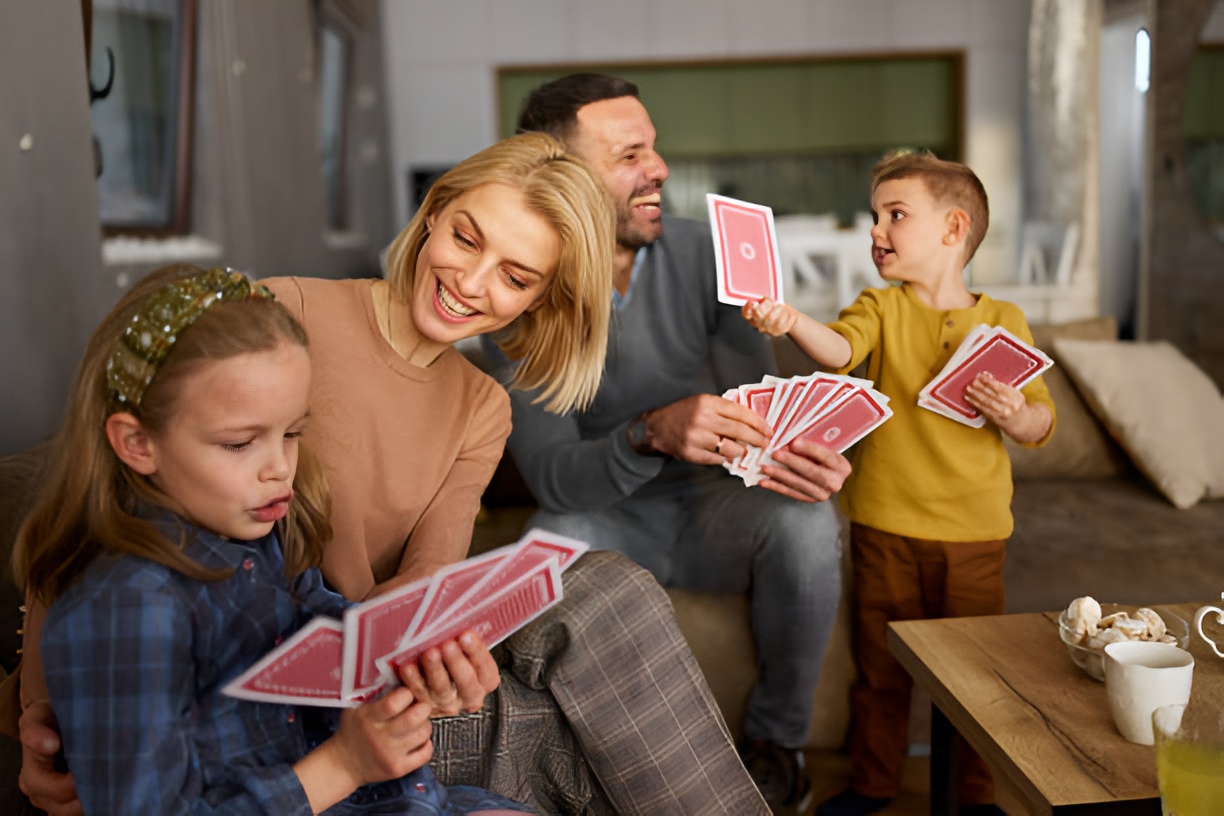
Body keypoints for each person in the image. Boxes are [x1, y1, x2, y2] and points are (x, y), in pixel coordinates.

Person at [15, 132, 772, 815]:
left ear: (540, 300)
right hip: (263, 717)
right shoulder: (281, 315)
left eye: (514, 277)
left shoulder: (481, 406)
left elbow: (419, 598)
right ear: (435, 213)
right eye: (466, 238)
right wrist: (42, 723)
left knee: (606, 588)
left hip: (354, 679)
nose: (472, 283)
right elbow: (90, 494)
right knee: (584, 719)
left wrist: (445, 657)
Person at [13, 266, 535, 815]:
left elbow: (319, 637)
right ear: (137, 443)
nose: (280, 469)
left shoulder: (255, 536)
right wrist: (344, 764)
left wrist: (409, 656)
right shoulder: (130, 605)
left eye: (292, 434)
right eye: (240, 444)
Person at [490, 73, 853, 814]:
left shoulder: (712, 254)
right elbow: (556, 477)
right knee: (541, 549)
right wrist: (648, 431)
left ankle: (777, 745)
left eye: (653, 148)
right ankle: (558, 767)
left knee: (810, 526)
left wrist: (795, 448)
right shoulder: (521, 288)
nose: (657, 168)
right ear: (562, 176)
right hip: (608, 513)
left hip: (718, 504)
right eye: (629, 156)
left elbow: (754, 411)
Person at [742, 150, 1056, 816]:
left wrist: (1017, 413)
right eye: (874, 215)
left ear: (953, 229)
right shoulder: (878, 308)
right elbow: (838, 352)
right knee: (881, 672)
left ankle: (974, 798)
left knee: (976, 675)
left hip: (974, 536)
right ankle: (874, 784)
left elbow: (1038, 422)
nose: (876, 230)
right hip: (883, 526)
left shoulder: (1004, 322)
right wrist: (791, 320)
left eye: (895, 214)